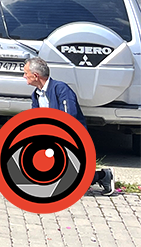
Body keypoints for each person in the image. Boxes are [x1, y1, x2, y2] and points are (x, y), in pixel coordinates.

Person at [23, 57, 115, 195]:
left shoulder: (61, 89)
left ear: (35, 75)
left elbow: (68, 119)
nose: (24, 76)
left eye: (25, 73)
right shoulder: (36, 95)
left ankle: (103, 176)